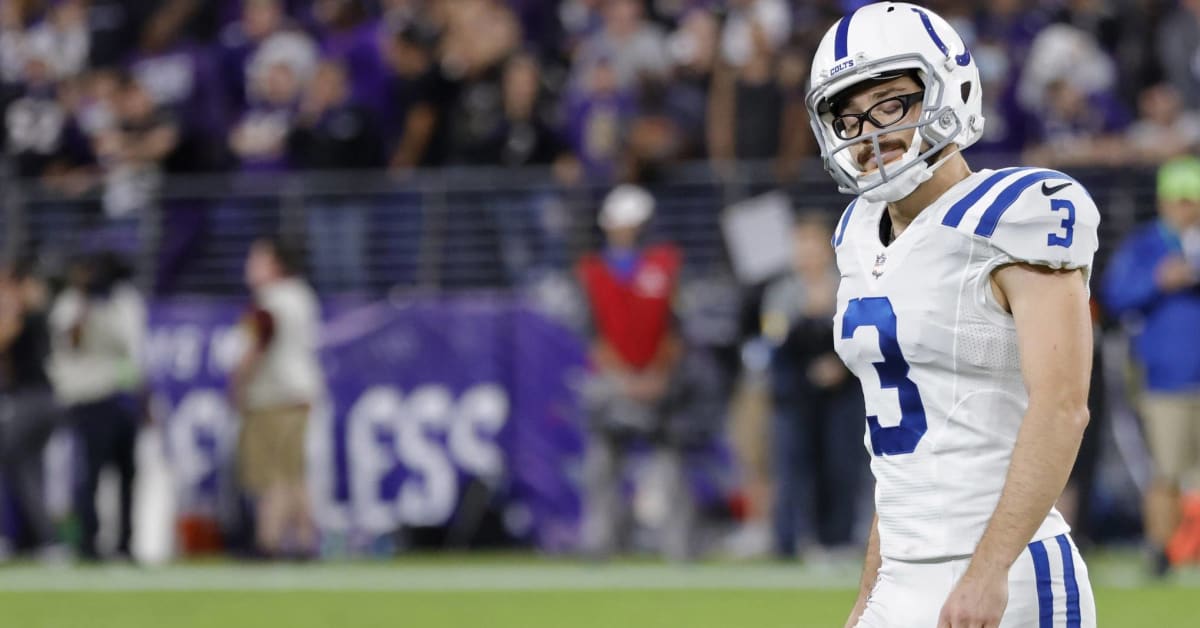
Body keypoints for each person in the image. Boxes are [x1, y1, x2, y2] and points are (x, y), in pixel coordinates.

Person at [805, 4, 1099, 626]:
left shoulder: (1015, 214)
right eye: (848, 114)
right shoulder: (857, 234)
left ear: (949, 88)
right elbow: (907, 442)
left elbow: (1063, 406)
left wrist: (989, 572)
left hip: (1008, 572)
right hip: (902, 575)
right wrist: (871, 588)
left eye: (890, 103)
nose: (867, 130)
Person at [575, 184, 689, 559]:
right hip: (613, 380)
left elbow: (675, 328)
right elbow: (591, 332)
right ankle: (600, 542)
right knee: (601, 462)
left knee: (670, 459)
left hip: (660, 380)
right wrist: (624, 378)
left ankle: (677, 547)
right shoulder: (591, 271)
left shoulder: (666, 265)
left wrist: (656, 375)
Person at [1102, 157, 1200, 577]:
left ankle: (1188, 553)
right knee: (1167, 471)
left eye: (1194, 201)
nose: (1189, 210)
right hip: (1165, 379)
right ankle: (1160, 553)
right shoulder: (1145, 245)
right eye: (1182, 201)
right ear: (1163, 202)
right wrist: (1159, 281)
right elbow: (1114, 296)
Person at [761, 214, 865, 559]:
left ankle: (837, 538)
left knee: (841, 464)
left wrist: (839, 365)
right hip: (796, 392)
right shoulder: (782, 292)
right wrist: (802, 317)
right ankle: (787, 542)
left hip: (842, 390)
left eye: (812, 247)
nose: (806, 256)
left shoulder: (847, 284)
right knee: (792, 466)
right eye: (800, 248)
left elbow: (863, 335)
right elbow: (771, 339)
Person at [47, 251, 145, 561]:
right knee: (89, 474)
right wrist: (87, 307)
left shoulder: (124, 301)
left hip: (121, 395)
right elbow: (71, 342)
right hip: (88, 398)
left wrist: (105, 306)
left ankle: (125, 543)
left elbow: (128, 345)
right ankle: (89, 542)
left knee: (127, 474)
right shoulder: (70, 303)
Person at [230, 237, 324, 558]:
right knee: (294, 472)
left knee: (274, 473)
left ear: (275, 264)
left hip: (275, 394)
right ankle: (304, 539)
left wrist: (238, 384)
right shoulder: (301, 295)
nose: (249, 266)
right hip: (300, 390)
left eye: (256, 260)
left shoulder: (269, 301)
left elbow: (256, 347)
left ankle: (267, 540)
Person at [0, 260, 64, 557]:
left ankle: (32, 537)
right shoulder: (36, 313)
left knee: (14, 461)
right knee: (29, 469)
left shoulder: (29, 315)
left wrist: (10, 300)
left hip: (32, 400)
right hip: (40, 399)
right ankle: (38, 539)